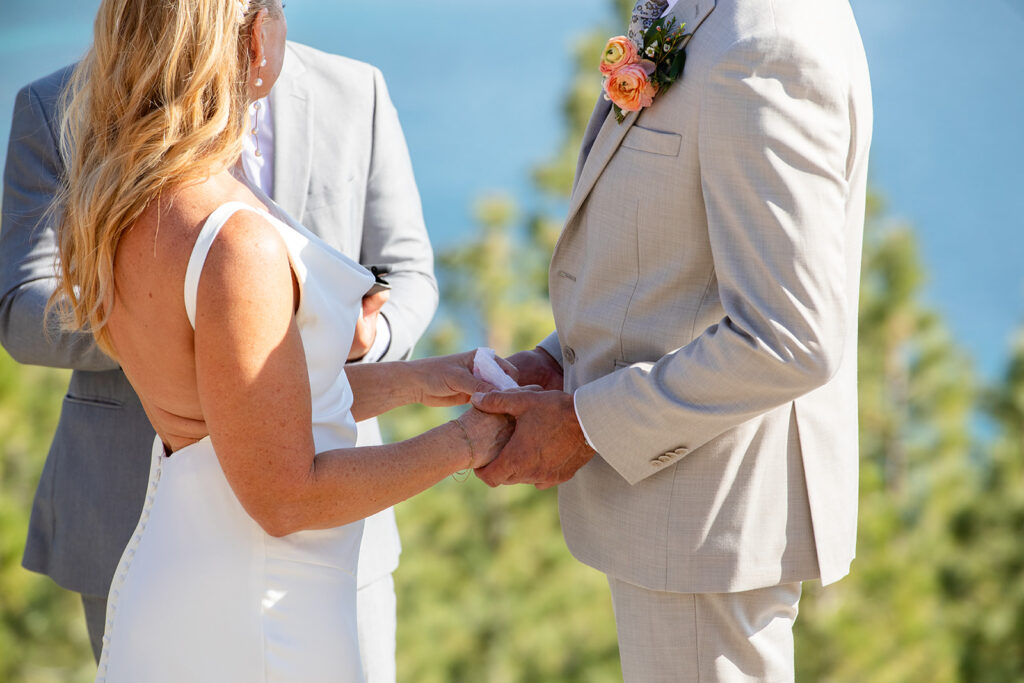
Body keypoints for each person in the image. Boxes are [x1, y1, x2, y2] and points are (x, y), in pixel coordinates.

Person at [30, 0, 514, 679]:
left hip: (179, 576)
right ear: (258, 39)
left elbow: (244, 408)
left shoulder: (127, 203)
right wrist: (471, 440)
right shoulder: (233, 242)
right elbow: (288, 494)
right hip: (265, 612)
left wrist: (425, 377)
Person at [473, 0, 872, 680]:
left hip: (710, 524)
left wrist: (588, 423)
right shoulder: (709, 16)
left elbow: (790, 335)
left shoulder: (763, 44)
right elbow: (682, 260)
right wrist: (563, 358)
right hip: (685, 518)